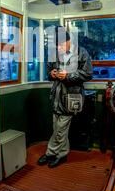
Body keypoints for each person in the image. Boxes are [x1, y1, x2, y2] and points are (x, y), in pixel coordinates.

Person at [38, 27, 93, 168]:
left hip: (71, 97)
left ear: (69, 41)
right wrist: (53, 74)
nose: (58, 48)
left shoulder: (82, 53)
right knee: (57, 126)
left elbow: (88, 74)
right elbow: (48, 72)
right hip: (56, 96)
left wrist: (68, 76)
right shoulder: (53, 53)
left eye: (61, 44)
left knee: (60, 128)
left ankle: (52, 153)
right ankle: (62, 152)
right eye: (56, 45)